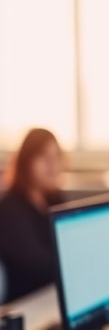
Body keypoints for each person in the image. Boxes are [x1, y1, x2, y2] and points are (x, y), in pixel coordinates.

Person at [0, 128, 65, 302]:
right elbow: (39, 265)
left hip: (54, 296)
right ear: (26, 162)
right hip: (28, 304)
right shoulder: (10, 209)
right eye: (44, 157)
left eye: (56, 156)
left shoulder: (55, 200)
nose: (52, 165)